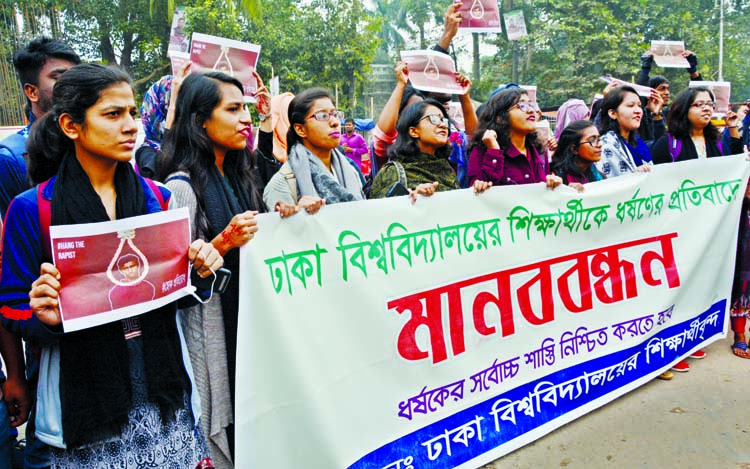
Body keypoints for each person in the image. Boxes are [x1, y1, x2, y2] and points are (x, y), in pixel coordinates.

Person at [0, 63, 223, 467]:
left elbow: (175, 292)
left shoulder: (157, 198)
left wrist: (200, 272)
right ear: (71, 125)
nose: (130, 126)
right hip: (84, 412)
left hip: (162, 400)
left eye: (134, 113)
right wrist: (46, 316)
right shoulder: (32, 209)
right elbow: (11, 305)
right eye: (113, 114)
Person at [157, 71, 266, 467]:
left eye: (247, 109)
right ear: (201, 119)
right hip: (213, 332)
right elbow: (175, 283)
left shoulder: (240, 175)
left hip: (248, 329)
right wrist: (223, 242)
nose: (245, 119)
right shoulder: (181, 188)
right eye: (233, 109)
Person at [0, 35, 80, 469]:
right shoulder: (13, 158)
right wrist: (15, 373)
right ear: (32, 91)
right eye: (59, 77)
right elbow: (12, 270)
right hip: (45, 333)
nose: (72, 83)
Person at [263, 88, 364, 217]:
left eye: (335, 114)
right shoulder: (282, 184)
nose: (334, 122)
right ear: (300, 129)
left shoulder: (350, 171)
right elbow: (281, 233)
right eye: (322, 116)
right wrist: (298, 215)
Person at [369, 99, 490, 199]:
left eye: (444, 120)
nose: (443, 125)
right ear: (414, 131)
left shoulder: (446, 169)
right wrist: (409, 198)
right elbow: (378, 216)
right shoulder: (393, 171)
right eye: (434, 119)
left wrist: (477, 192)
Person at [467, 87, 562, 189]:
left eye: (531, 105)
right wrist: (494, 153)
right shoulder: (483, 151)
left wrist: (554, 183)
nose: (531, 110)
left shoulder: (540, 151)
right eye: (522, 106)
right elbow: (476, 195)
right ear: (500, 118)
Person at [651, 87, 742, 164]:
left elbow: (735, 165)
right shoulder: (669, 143)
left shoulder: (715, 141)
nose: (707, 108)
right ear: (684, 108)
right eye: (699, 104)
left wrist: (733, 127)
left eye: (710, 104)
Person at [595, 85, 653, 178]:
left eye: (639, 106)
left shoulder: (638, 142)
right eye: (631, 105)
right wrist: (633, 176)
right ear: (613, 113)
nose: (638, 111)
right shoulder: (606, 146)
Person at [550, 120, 605, 187]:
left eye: (598, 140)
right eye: (592, 141)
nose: (599, 145)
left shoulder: (600, 178)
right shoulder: (556, 179)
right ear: (574, 149)